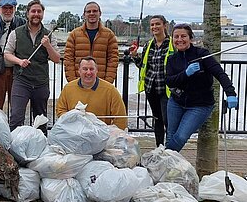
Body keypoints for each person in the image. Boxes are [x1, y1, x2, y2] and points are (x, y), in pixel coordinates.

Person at [165, 23, 238, 152]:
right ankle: (167, 167)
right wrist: (186, 74)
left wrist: (231, 93)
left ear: (190, 38)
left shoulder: (202, 55)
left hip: (200, 105)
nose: (179, 39)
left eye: (183, 36)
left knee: (181, 137)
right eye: (176, 36)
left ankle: (161, 159)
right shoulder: (172, 59)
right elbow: (170, 81)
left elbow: (220, 74)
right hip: (176, 102)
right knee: (171, 136)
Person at [4, 0, 61, 132]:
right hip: (21, 81)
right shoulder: (16, 33)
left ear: (42, 14)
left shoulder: (49, 35)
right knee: (16, 117)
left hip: (41, 82)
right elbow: (7, 53)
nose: (36, 14)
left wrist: (47, 46)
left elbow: (57, 59)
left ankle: (40, 147)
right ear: (27, 13)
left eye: (39, 11)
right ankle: (14, 148)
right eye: (33, 11)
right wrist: (19, 61)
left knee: (40, 119)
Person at [130, 15, 174, 146]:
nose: (154, 27)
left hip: (167, 89)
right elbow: (143, 66)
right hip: (151, 88)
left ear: (164, 25)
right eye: (152, 25)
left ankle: (170, 148)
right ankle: (159, 146)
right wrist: (135, 57)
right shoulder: (149, 45)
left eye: (157, 24)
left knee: (168, 120)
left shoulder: (172, 44)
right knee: (157, 119)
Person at [56, 56, 127, 129]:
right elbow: (60, 110)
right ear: (79, 71)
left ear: (97, 71)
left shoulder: (110, 90)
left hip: (101, 134)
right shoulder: (68, 88)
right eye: (85, 69)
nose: (88, 72)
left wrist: (116, 134)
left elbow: (120, 117)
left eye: (91, 69)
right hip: (74, 133)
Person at [64, 1, 119, 83]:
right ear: (84, 15)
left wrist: (108, 82)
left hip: (100, 83)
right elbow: (68, 59)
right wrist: (73, 82)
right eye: (88, 11)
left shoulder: (109, 35)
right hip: (79, 82)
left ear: (100, 13)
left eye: (95, 11)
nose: (91, 13)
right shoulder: (74, 34)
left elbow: (113, 60)